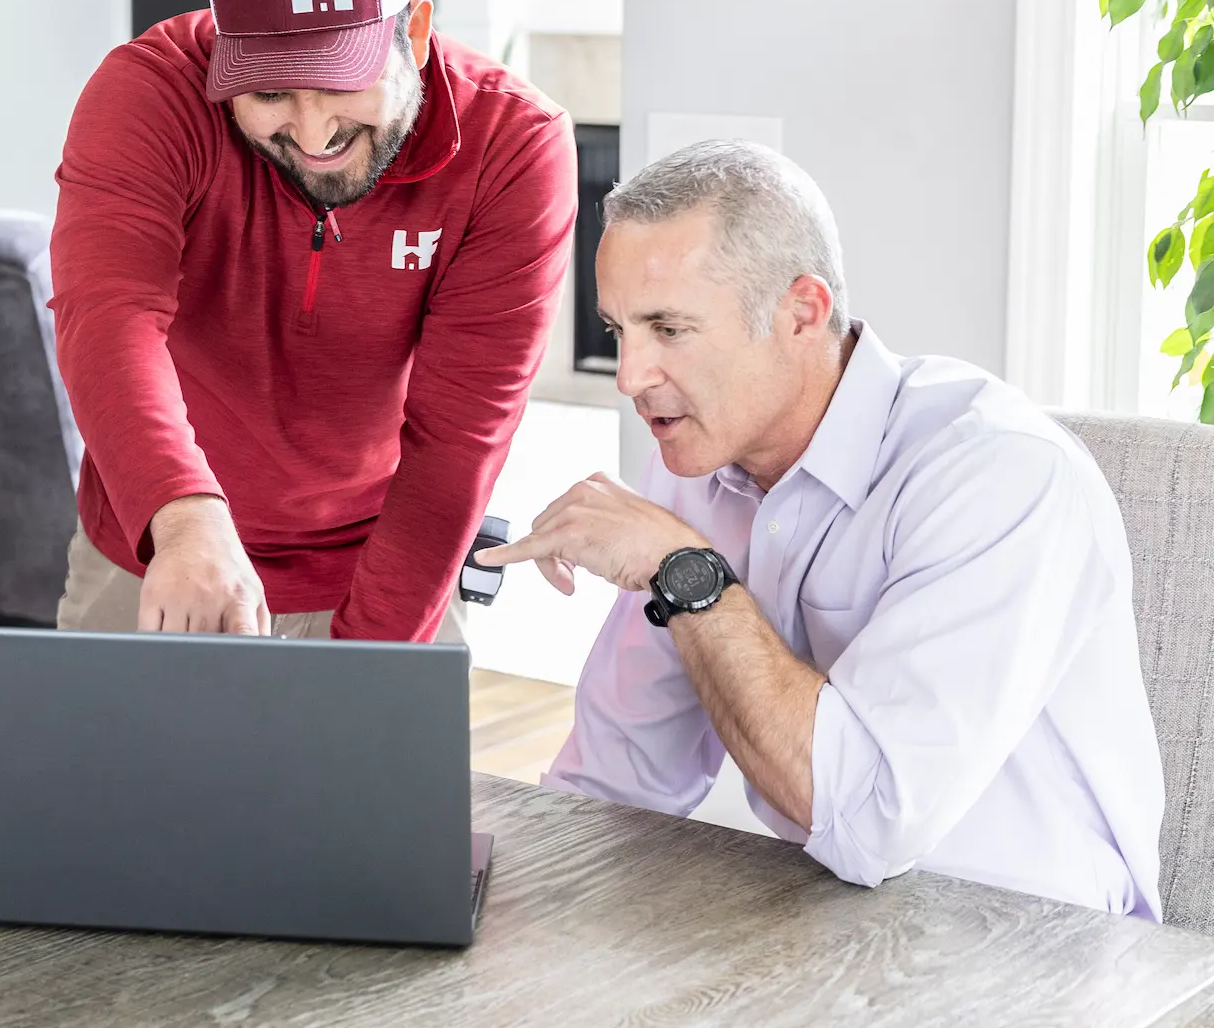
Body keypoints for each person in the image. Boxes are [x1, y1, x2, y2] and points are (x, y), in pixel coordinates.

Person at [478, 139, 1165, 918]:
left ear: (801, 312)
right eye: (618, 332)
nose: (631, 376)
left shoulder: (994, 474)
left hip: (1031, 945)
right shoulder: (696, 459)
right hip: (821, 914)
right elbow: (616, 782)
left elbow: (869, 821)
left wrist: (687, 572)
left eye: (669, 330)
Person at [51, 0, 577, 642]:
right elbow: (108, 321)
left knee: (368, 763)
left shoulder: (513, 143)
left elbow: (459, 434)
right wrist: (186, 518)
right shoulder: (150, 92)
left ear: (416, 33)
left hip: (385, 556)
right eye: (269, 93)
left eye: (340, 80)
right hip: (161, 545)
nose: (311, 131)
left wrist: (369, 655)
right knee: (91, 769)